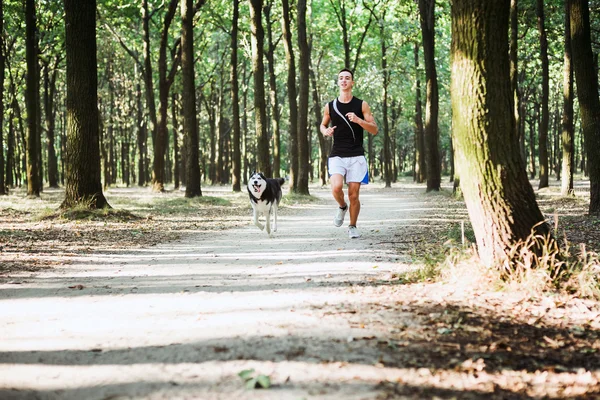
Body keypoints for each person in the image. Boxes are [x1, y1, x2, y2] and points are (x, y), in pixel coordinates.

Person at [319, 68, 378, 239]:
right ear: (338, 82)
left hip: (356, 155)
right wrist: (325, 131)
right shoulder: (330, 106)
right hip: (337, 154)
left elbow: (374, 129)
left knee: (354, 195)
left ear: (352, 82)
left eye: (347, 78)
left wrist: (359, 120)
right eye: (341, 78)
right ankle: (342, 206)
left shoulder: (362, 105)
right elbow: (322, 125)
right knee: (336, 187)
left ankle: (352, 226)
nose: (344, 80)